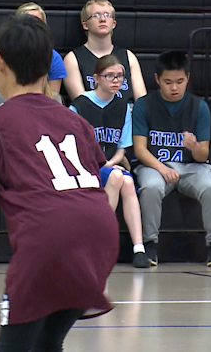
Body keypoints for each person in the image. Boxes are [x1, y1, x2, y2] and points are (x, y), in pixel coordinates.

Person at [0, 14, 118, 352]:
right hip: (100, 236)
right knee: (48, 342)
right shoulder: (75, 120)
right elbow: (93, 179)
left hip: (47, 239)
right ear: (48, 67)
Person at [132, 51, 211, 267]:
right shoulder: (144, 105)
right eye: (168, 82)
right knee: (151, 187)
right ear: (157, 79)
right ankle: (150, 244)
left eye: (180, 81)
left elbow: (203, 155)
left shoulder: (199, 106)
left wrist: (194, 146)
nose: (174, 87)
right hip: (154, 165)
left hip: (191, 166)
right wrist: (162, 168)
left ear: (188, 78)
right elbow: (139, 149)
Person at [69, 55, 149, 268]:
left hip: (109, 164)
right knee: (116, 177)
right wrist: (101, 165)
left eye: (120, 76)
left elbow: (121, 148)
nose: (116, 80)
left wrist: (110, 162)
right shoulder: (80, 105)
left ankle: (139, 248)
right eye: (110, 76)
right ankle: (98, 242)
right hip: (85, 167)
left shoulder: (124, 107)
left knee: (128, 181)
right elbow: (71, 145)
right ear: (96, 78)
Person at [63, 0, 147, 104]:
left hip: (128, 117)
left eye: (107, 15)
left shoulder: (128, 56)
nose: (102, 19)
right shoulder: (72, 59)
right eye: (96, 15)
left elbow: (142, 102)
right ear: (85, 25)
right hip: (93, 117)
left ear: (113, 24)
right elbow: (82, 104)